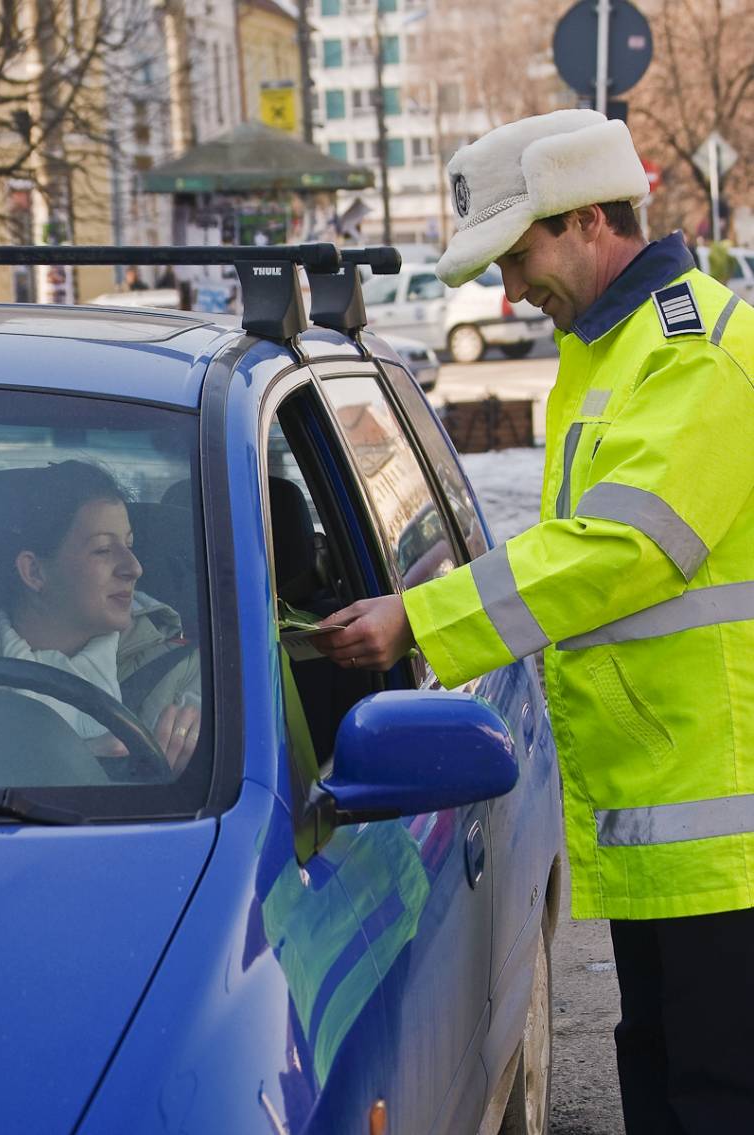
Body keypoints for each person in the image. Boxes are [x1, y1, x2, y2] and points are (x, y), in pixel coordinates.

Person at [317, 109, 754, 1133]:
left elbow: (622, 552)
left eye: (517, 259)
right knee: (661, 1072)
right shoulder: (606, 353)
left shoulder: (691, 355)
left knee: (714, 1094)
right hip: (663, 804)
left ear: (591, 218)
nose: (511, 293)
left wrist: (422, 619)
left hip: (721, 828)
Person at [0, 461, 200, 774]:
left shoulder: (184, 666)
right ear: (34, 571)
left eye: (129, 545)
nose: (133, 567)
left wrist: (199, 759)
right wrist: (82, 758)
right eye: (103, 550)